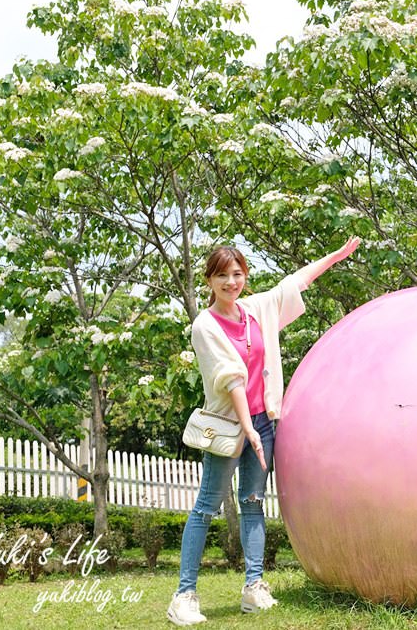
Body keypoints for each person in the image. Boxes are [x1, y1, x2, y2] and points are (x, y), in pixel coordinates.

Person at [167, 237, 360, 626]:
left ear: (245, 277)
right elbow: (230, 379)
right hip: (228, 425)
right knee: (207, 506)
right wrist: (249, 432)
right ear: (209, 280)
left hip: (263, 419)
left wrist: (335, 255)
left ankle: (254, 588)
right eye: (222, 275)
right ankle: (184, 596)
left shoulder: (255, 309)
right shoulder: (205, 326)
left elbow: (294, 283)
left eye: (237, 274)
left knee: (253, 502)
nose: (231, 282)